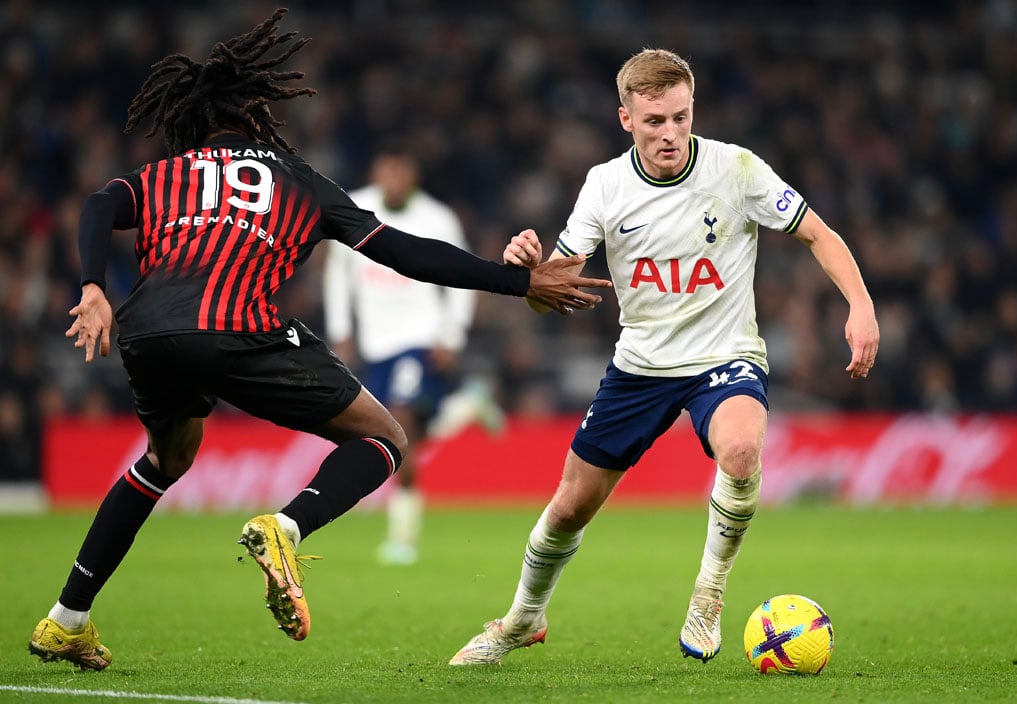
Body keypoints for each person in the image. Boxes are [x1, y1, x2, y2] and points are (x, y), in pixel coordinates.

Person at [28, 9, 611, 672]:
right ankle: (287, 526)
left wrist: (92, 286)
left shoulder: (169, 174)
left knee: (164, 462)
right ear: (258, 119)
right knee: (386, 439)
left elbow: (100, 202)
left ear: (195, 121)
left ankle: (66, 619)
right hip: (239, 327)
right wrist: (517, 282)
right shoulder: (297, 180)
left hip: (148, 331)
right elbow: (408, 254)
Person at [449, 48, 879, 666]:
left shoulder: (735, 169)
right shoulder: (604, 184)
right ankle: (522, 618)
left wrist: (860, 307)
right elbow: (555, 295)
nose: (671, 133)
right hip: (641, 367)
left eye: (680, 117)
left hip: (724, 357)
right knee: (570, 506)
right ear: (626, 118)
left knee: (740, 449)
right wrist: (528, 274)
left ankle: (708, 597)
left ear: (692, 108)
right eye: (655, 122)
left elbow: (819, 232)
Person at [323, 146, 502, 565]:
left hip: (420, 337)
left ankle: (402, 538)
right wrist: (341, 332)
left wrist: (451, 336)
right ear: (376, 174)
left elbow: (462, 274)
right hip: (375, 343)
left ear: (412, 177)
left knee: (398, 428)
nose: (393, 181)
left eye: (401, 173)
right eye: (386, 173)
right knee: (401, 435)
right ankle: (465, 406)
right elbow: (337, 274)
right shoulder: (355, 207)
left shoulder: (436, 219)